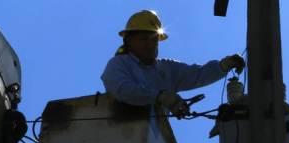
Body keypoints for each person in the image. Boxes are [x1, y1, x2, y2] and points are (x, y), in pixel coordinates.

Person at [101, 10, 245, 118]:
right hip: (121, 131)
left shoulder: (165, 69)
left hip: (153, 135)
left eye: (154, 40)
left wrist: (223, 65)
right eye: (144, 39)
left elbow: (197, 74)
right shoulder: (118, 64)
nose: (150, 44)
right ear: (129, 41)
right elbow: (121, 89)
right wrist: (159, 96)